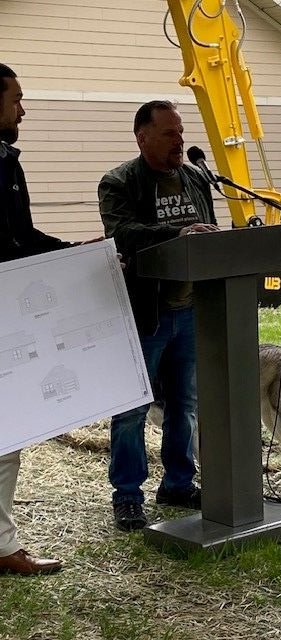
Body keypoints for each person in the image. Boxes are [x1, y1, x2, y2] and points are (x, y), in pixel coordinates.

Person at [0, 63, 103, 575]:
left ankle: (2, 543)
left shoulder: (8, 163)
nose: (23, 110)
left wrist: (76, 252)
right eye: (16, 99)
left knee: (7, 436)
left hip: (8, 313)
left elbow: (22, 236)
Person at [98, 100, 218, 532]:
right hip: (145, 313)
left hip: (190, 311)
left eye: (181, 133)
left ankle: (178, 484)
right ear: (142, 137)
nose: (179, 142)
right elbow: (123, 234)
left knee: (185, 404)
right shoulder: (119, 182)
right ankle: (128, 495)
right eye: (169, 134)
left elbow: (208, 233)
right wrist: (178, 232)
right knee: (132, 408)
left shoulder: (196, 178)